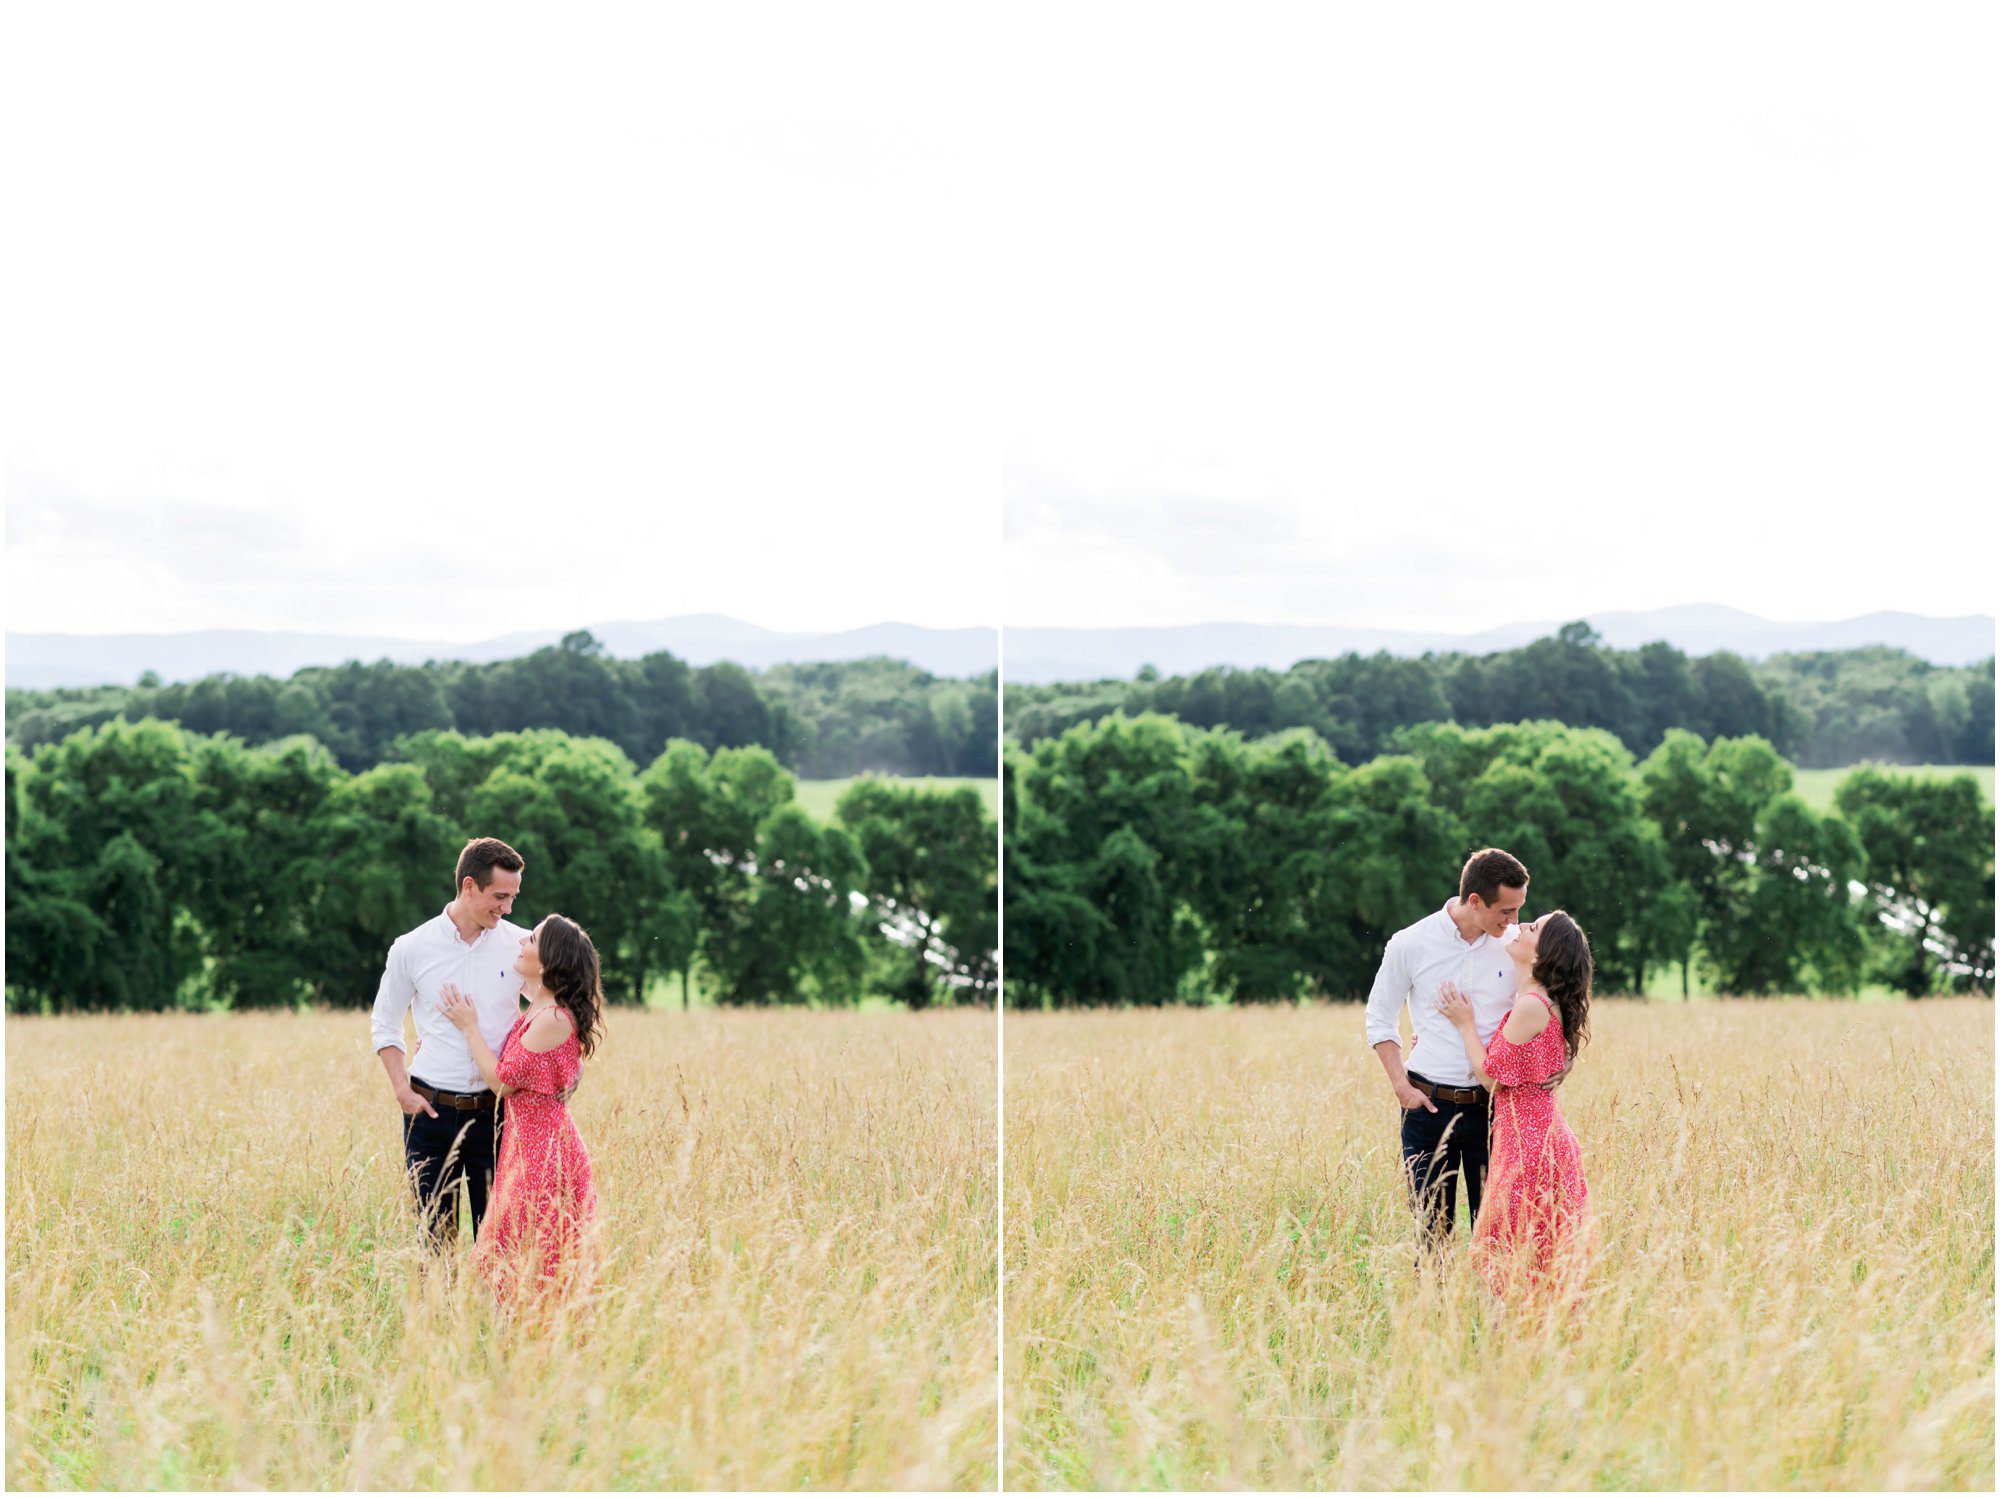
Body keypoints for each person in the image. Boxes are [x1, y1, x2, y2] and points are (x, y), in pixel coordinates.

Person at [1364, 847, 1529, 1253]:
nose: (1514, 922)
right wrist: (1402, 1088)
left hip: (1494, 1110)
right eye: (1506, 911)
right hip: (1427, 1108)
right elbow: (1379, 1018)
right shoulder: (1410, 943)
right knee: (1432, 1236)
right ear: (1475, 901)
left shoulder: (1516, 947)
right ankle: (1433, 1315)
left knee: (1496, 1237)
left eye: (1518, 911)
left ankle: (1495, 1318)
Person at [370, 837, 528, 1250]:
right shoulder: (412, 947)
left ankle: (496, 1317)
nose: (507, 908)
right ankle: (438, 1315)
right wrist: (401, 1092)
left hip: (497, 1115)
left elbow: (560, 1003)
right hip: (429, 1114)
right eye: (499, 896)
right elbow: (385, 1023)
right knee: (435, 1243)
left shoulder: (523, 946)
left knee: (499, 1245)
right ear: (469, 885)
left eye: (513, 897)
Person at [441, 913, 600, 1299]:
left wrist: (468, 1027)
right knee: (515, 1256)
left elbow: (501, 1081)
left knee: (529, 1255)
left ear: (546, 961)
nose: (521, 944)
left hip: (544, 1151)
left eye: (531, 940)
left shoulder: (552, 1018)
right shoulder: (538, 1011)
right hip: (525, 1144)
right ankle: (520, 1347)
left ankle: (538, 1346)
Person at [1438, 910, 1593, 1293]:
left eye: (1533, 928)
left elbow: (1490, 1077)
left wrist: (1464, 1024)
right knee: (1526, 1252)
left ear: (1541, 956)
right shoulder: (1533, 999)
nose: (1522, 926)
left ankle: (1512, 1344)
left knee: (1507, 1252)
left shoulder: (1532, 1005)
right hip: (1531, 1133)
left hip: (1530, 1142)